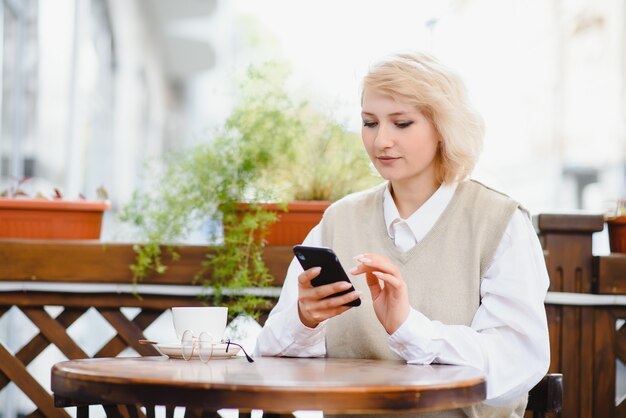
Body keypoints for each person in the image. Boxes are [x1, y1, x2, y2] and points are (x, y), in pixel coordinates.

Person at [255, 52, 550, 418]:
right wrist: (305, 319)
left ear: (444, 128)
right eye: (369, 122)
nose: (381, 141)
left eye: (402, 123)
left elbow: (516, 363)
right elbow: (269, 356)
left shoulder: (500, 222)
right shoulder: (337, 221)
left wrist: (408, 328)